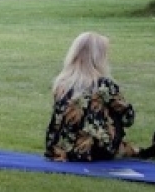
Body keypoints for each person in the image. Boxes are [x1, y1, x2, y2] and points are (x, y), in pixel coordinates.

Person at [44, 31, 137, 162]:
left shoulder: (61, 84)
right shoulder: (103, 84)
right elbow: (128, 118)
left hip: (58, 148)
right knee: (113, 110)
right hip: (92, 150)